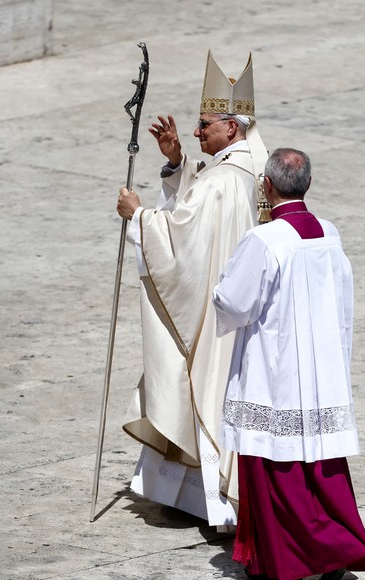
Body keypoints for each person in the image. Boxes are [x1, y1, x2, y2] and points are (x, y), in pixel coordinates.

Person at [114, 50, 269, 528]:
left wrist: (138, 217)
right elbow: (201, 208)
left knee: (199, 384)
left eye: (204, 125)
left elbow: (183, 236)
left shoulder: (222, 180)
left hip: (212, 306)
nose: (198, 132)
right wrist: (178, 161)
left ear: (232, 127)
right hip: (245, 309)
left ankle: (211, 506)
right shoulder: (257, 165)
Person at [212, 148, 365, 580]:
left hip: (274, 374)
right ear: (307, 185)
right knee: (320, 473)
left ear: (267, 187)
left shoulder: (264, 240)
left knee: (275, 473)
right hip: (320, 370)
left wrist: (218, 287)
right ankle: (327, 556)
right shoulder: (329, 233)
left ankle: (285, 559)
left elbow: (233, 303)